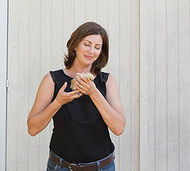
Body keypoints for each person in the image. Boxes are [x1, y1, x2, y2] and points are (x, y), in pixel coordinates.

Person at [27, 22, 126, 171]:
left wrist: (94, 93)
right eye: (87, 44)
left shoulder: (107, 82)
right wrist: (58, 102)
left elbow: (119, 128)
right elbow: (32, 129)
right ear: (75, 45)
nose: (91, 51)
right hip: (61, 167)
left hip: (102, 167)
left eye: (97, 47)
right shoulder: (52, 80)